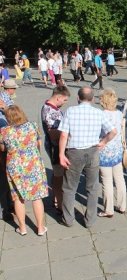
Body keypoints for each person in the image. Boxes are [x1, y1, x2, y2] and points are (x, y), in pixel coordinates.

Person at [58, 86, 117, 227]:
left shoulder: (70, 111)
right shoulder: (98, 112)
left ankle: (68, 219)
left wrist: (61, 154)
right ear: (92, 99)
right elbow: (113, 131)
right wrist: (103, 142)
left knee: (69, 188)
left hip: (74, 152)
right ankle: (90, 220)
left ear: (78, 98)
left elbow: (64, 134)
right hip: (93, 151)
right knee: (92, 187)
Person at [0, 105, 48, 235]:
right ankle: (40, 228)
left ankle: (22, 228)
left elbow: (2, 149)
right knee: (37, 197)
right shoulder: (32, 126)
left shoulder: (4, 131)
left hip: (14, 167)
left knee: (18, 198)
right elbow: (38, 144)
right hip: (33, 164)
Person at [41, 85, 71, 215]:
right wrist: (69, 133)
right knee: (59, 176)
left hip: (56, 146)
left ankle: (55, 198)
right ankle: (59, 204)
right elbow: (53, 133)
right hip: (55, 147)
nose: (65, 103)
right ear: (58, 98)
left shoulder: (52, 108)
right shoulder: (49, 111)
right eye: (64, 100)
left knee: (57, 174)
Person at [98, 88, 126, 217]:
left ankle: (108, 209)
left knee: (107, 181)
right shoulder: (119, 113)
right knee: (119, 179)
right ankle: (122, 205)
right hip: (117, 150)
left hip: (105, 150)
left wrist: (102, 142)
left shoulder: (101, 114)